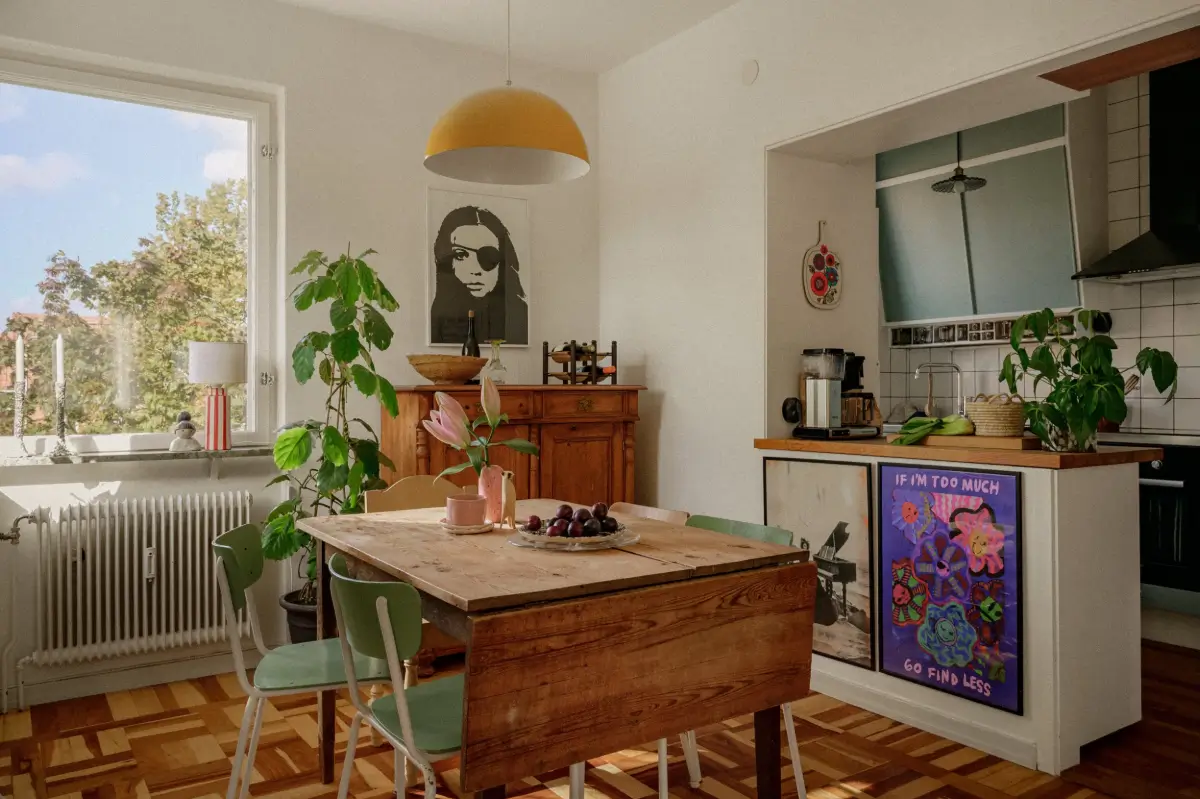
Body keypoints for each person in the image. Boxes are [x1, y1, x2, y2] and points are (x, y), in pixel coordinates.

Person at [430, 205, 528, 345]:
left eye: (489, 257)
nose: (475, 270)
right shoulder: (440, 316)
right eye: (461, 255)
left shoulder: (519, 316)